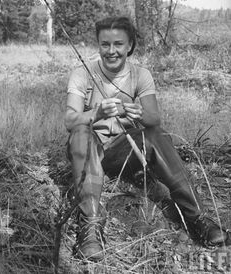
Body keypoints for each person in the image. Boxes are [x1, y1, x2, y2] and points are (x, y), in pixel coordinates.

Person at [65, 16, 230, 261]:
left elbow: (154, 120)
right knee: (80, 132)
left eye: (118, 44)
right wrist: (97, 113)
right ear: (98, 45)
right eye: (105, 44)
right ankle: (89, 228)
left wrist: (139, 113)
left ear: (129, 45)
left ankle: (196, 218)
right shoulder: (81, 74)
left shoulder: (141, 75)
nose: (112, 51)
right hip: (90, 150)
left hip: (123, 153)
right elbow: (70, 121)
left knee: (156, 134)